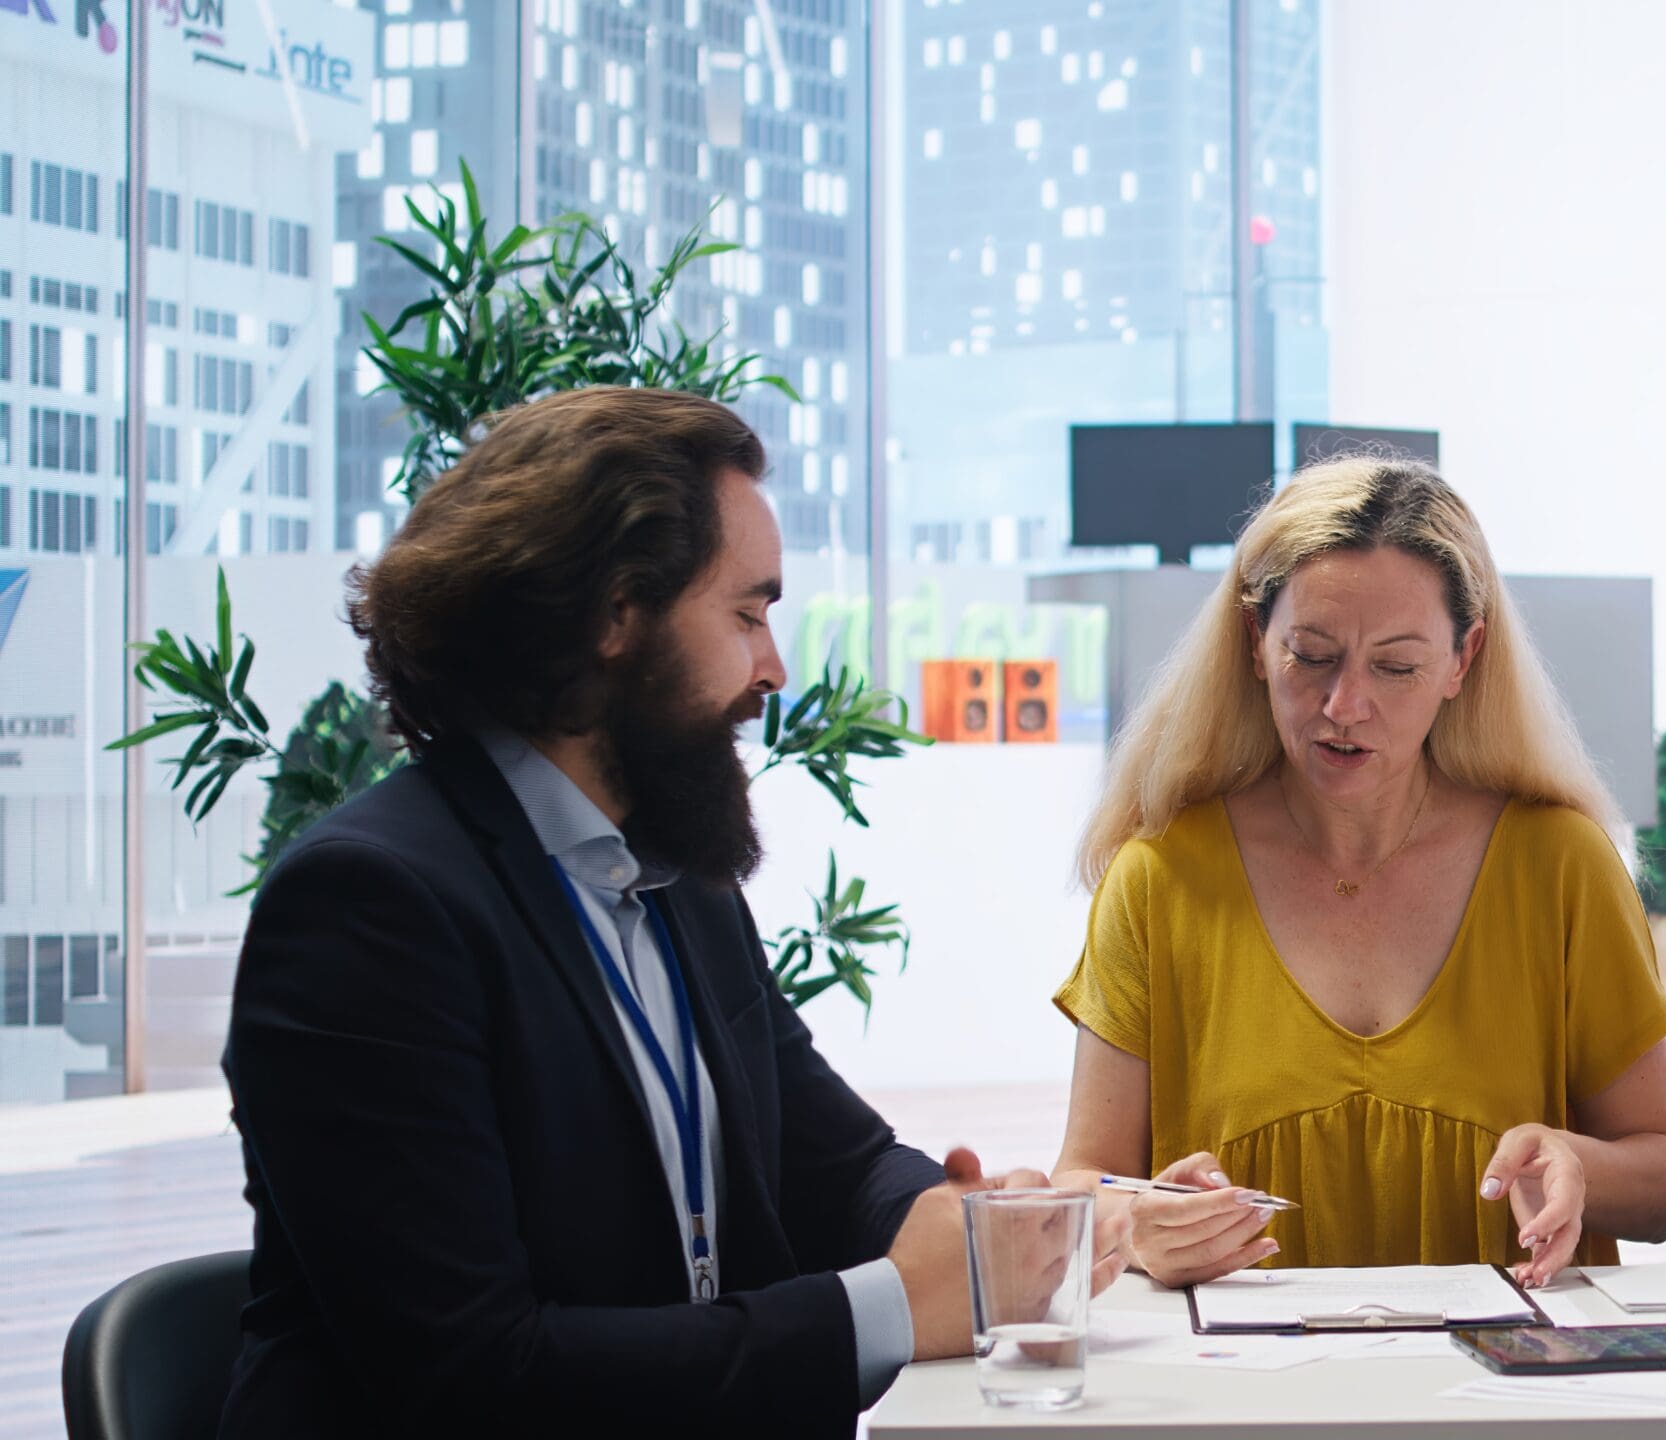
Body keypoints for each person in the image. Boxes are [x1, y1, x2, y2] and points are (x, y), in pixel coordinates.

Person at [218, 388, 1122, 1438]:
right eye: (746, 613)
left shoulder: (675, 874)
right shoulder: (371, 910)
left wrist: (965, 1229)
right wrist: (890, 1304)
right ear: (613, 615)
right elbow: (471, 1377)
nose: (773, 670)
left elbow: (829, 1155)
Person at [1050, 456, 1666, 1290]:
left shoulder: (1560, 867)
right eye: (1311, 656)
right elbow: (1080, 1180)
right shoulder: (1160, 880)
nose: (1345, 705)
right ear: (1254, 643)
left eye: (1395, 667)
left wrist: (1578, 1165)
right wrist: (1134, 1226)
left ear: (1464, 660)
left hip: (1505, 1405)